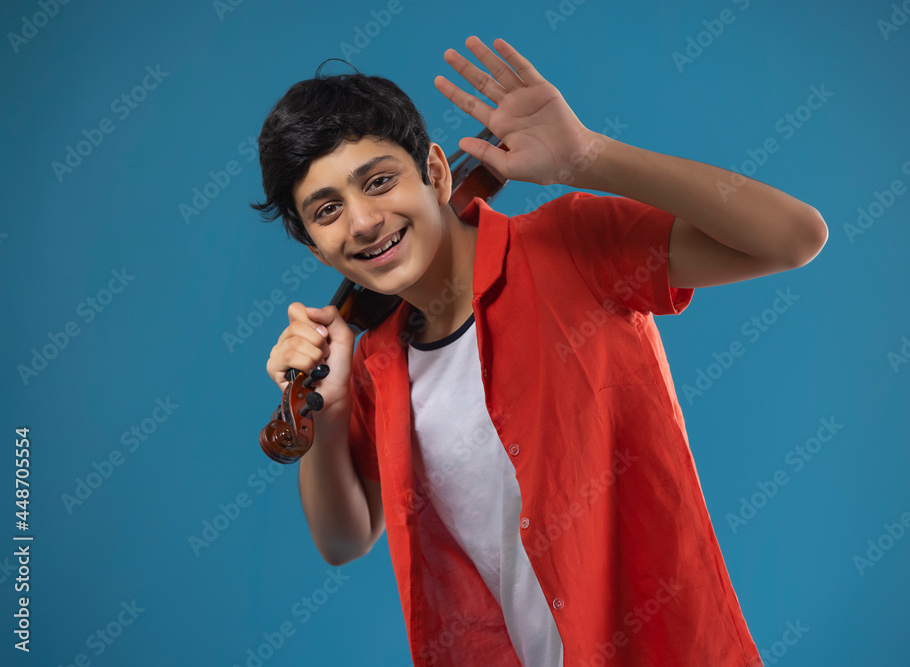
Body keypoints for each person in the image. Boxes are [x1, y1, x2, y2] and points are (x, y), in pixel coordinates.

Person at [252, 35, 827, 667]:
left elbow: (792, 238)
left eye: (380, 181)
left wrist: (589, 157)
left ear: (437, 173)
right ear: (314, 247)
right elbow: (345, 538)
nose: (362, 222)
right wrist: (327, 413)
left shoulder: (571, 245)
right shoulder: (377, 365)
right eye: (328, 210)